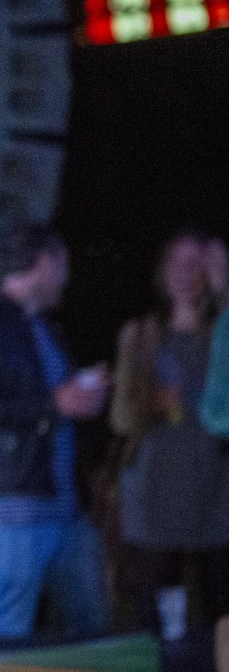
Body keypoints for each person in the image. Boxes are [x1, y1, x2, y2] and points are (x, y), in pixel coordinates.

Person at [0, 225, 112, 641]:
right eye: (64, 266)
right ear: (45, 263)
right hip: (10, 511)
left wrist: (84, 394)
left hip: (62, 508)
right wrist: (53, 404)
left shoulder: (43, 327)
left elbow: (48, 400)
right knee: (9, 634)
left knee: (93, 628)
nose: (67, 277)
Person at [111, 231, 229, 636]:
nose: (185, 273)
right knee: (156, 624)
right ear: (163, 272)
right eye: (176, 263)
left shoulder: (223, 332)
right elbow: (121, 420)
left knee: (222, 616)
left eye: (197, 264)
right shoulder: (141, 335)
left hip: (217, 495)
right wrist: (151, 405)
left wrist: (224, 294)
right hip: (155, 494)